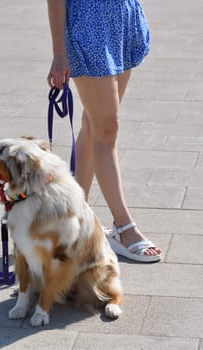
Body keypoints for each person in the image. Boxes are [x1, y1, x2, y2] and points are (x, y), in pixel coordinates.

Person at [46, 0, 162, 262]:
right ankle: (124, 228)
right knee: (106, 130)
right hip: (87, 28)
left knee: (94, 124)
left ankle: (73, 219)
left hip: (122, 19)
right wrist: (59, 53)